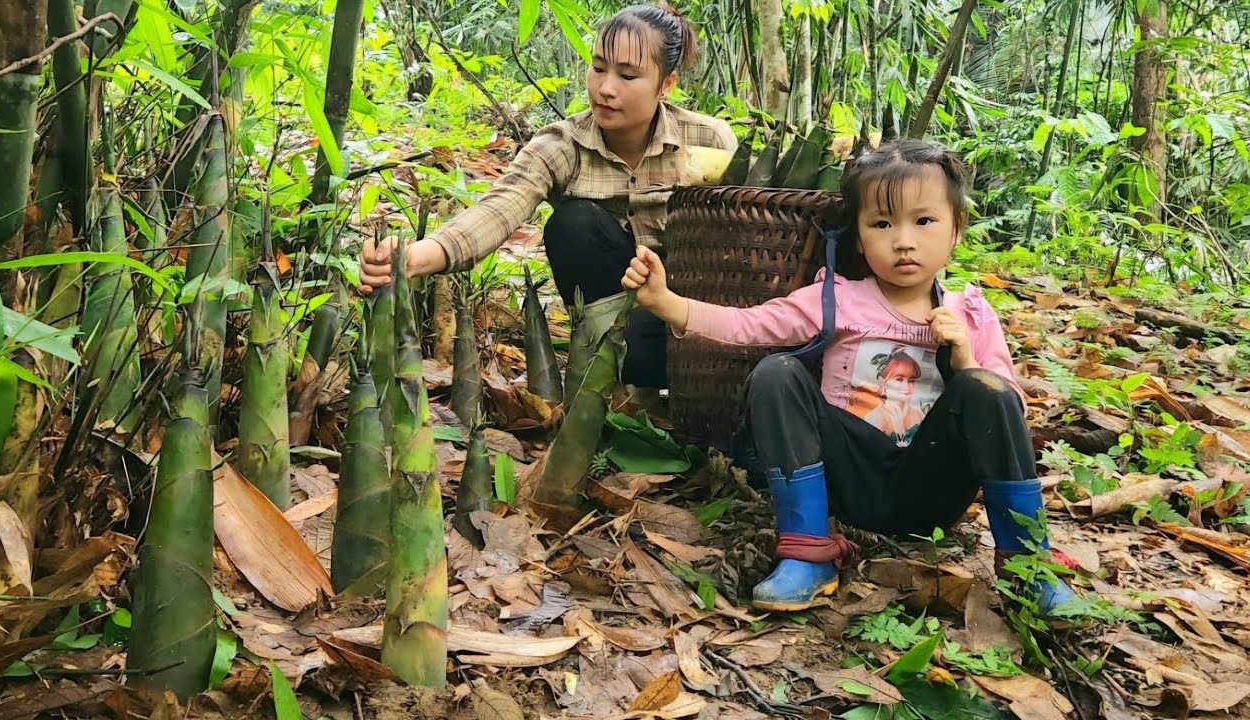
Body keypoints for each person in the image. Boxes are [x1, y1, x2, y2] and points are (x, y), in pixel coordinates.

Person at [621, 138, 1077, 615]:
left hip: (932, 484)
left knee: (986, 387)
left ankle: (1029, 565)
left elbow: (1009, 414)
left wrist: (964, 357)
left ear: (956, 229)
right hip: (849, 479)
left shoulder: (971, 313)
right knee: (777, 373)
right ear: (859, 238)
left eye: (924, 221)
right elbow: (748, 326)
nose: (903, 240)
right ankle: (808, 553)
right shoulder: (837, 299)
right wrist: (665, 302)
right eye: (882, 223)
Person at [359, 4, 737, 390]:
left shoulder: (709, 140)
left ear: (666, 84)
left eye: (627, 75)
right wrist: (418, 256)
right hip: (621, 317)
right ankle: (614, 363)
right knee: (573, 223)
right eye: (599, 67)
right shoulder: (563, 145)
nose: (606, 88)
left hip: (690, 310)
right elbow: (502, 207)